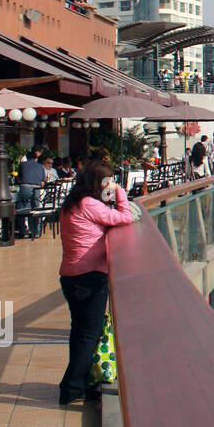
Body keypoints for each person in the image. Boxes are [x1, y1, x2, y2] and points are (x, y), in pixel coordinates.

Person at [56, 160, 134, 405]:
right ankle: (71, 388)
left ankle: (79, 384)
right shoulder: (89, 204)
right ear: (98, 183)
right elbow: (125, 218)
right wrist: (120, 193)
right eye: (107, 182)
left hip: (71, 276)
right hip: (89, 277)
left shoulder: (73, 203)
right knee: (88, 334)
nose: (110, 186)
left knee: (81, 332)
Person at [15, 150, 47, 238]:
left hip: (25, 187)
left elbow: (19, 178)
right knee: (35, 210)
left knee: (21, 209)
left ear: (27, 158)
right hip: (37, 189)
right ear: (36, 158)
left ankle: (23, 231)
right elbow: (43, 180)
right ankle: (36, 231)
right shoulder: (41, 167)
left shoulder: (22, 165)